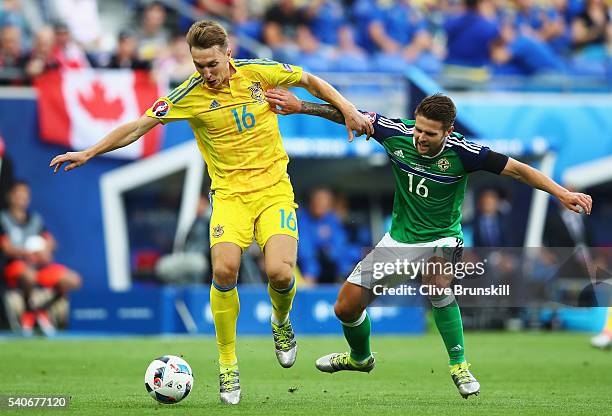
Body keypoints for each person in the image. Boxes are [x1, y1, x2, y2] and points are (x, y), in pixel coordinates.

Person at [49, 20, 372, 405]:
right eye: (198, 65)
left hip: (273, 191)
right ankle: (227, 363)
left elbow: (311, 81)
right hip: (230, 196)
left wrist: (348, 108)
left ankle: (281, 321)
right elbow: (138, 127)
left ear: (228, 53)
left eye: (212, 64)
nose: (206, 73)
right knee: (224, 270)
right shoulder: (188, 94)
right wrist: (89, 152)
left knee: (280, 273)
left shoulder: (258, 72)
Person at [265, 89, 593, 399]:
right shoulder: (395, 131)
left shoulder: (466, 153)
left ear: (448, 132)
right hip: (400, 239)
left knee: (436, 281)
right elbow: (347, 115)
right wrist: (302, 106)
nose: (420, 138)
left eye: (430, 134)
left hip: (443, 237)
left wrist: (562, 193)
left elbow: (518, 171)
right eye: (419, 129)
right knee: (345, 308)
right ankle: (360, 358)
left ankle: (459, 365)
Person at [0, 181, 82, 336]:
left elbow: (51, 242)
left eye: (25, 195)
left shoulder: (35, 219)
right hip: (16, 267)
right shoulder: (3, 219)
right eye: (18, 194)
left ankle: (37, 311)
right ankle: (29, 312)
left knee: (73, 280)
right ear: (10, 197)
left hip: (39, 267)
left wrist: (44, 250)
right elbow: (6, 247)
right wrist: (27, 253)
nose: (22, 198)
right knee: (29, 276)